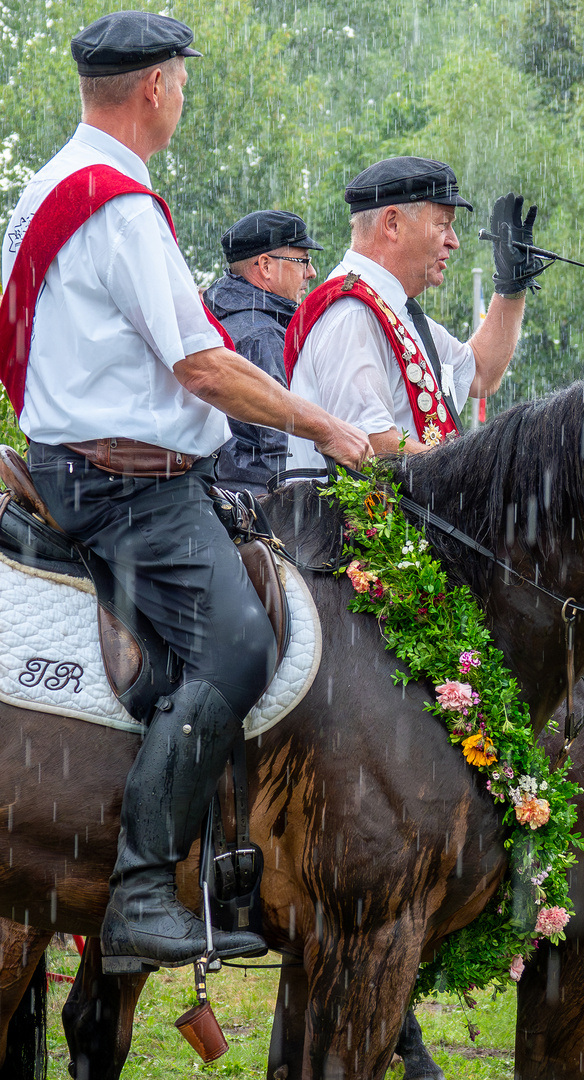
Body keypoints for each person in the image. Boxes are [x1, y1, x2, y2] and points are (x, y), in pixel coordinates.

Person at [0, 10, 371, 974]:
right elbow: (204, 367)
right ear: (158, 88)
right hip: (129, 488)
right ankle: (138, 888)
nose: (185, 97)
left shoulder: (49, 188)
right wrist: (325, 426)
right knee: (242, 649)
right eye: (183, 82)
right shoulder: (118, 204)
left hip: (80, 466)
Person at [285, 156, 546, 461]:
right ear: (392, 225)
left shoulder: (391, 307)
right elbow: (373, 445)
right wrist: (473, 472)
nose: (454, 242)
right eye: (443, 225)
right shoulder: (354, 313)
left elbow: (480, 373)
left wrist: (510, 287)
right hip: (360, 510)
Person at [203, 210, 322, 492]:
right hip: (266, 501)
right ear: (266, 266)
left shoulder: (220, 317)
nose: (311, 272)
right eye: (303, 261)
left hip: (226, 489)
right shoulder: (263, 336)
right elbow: (286, 445)